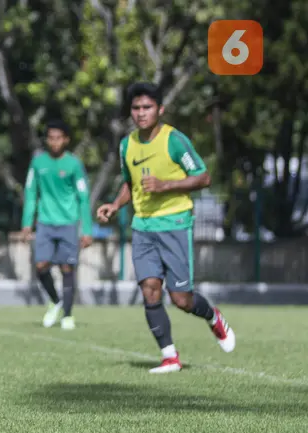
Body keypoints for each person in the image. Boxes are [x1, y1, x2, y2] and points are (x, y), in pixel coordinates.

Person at [96, 82, 235, 374]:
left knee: (181, 299)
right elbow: (130, 183)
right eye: (136, 108)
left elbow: (203, 177)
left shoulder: (174, 140)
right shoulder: (127, 144)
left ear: (160, 109)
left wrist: (165, 185)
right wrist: (115, 205)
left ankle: (214, 318)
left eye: (147, 107)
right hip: (143, 226)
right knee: (149, 290)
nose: (141, 113)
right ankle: (170, 356)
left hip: (174, 223)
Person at [21, 120, 93, 329]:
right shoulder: (38, 163)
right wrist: (27, 224)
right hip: (44, 222)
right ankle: (55, 300)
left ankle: (68, 315)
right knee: (41, 265)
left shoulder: (74, 164)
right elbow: (30, 193)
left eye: (58, 138)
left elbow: (84, 198)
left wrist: (86, 230)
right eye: (50, 138)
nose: (54, 142)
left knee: (67, 268)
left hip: (68, 223)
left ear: (66, 140)